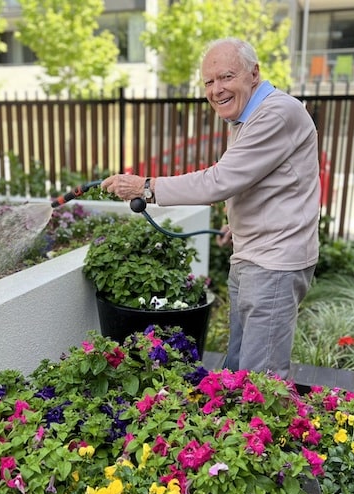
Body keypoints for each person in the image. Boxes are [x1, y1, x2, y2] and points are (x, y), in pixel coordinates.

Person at [101, 37, 320, 379]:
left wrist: (146, 187)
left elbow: (220, 181)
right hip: (252, 254)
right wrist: (240, 222)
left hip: (274, 263)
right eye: (209, 81)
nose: (216, 89)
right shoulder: (246, 115)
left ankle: (257, 431)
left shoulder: (276, 113)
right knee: (238, 365)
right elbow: (269, 180)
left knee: (259, 379)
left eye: (226, 77)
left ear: (254, 73)